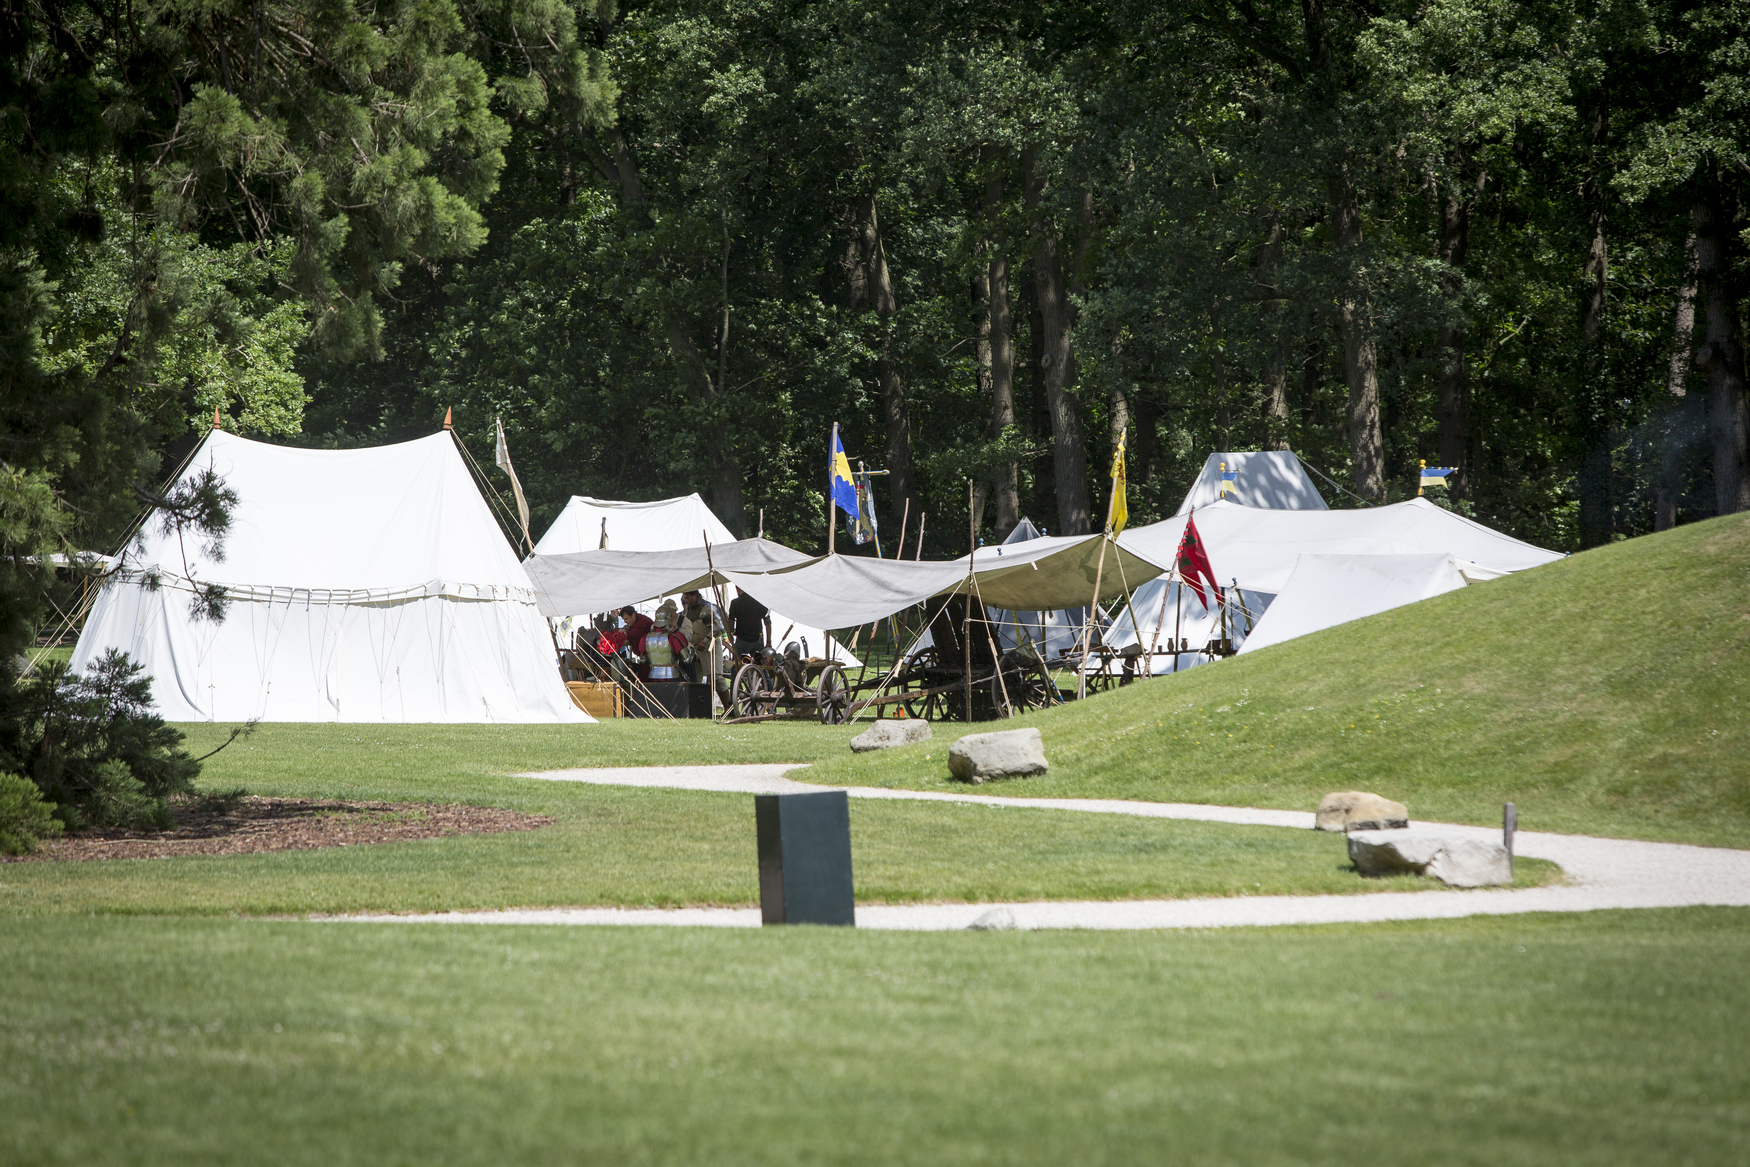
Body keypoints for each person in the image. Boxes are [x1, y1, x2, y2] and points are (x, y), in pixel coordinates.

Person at [644, 601, 690, 682]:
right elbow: (687, 659)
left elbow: (642, 660)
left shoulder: (646, 638)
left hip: (653, 675)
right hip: (672, 674)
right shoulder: (673, 637)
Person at [728, 586, 770, 661]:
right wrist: (769, 642)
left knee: (736, 666)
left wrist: (731, 632)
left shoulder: (735, 603)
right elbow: (768, 623)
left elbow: (731, 624)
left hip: (742, 639)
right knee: (761, 667)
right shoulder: (760, 602)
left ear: (738, 588)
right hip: (757, 639)